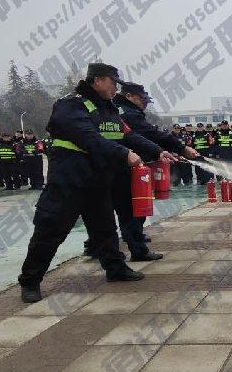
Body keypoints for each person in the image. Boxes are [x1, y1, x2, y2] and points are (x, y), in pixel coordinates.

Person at [18, 63, 158, 303]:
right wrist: (124, 154)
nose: (116, 88)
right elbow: (87, 137)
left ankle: (115, 269)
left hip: (97, 181)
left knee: (105, 229)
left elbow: (128, 135)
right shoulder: (71, 105)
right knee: (50, 230)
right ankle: (30, 281)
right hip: (69, 181)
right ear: (98, 80)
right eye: (113, 83)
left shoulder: (109, 109)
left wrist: (158, 151)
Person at [111, 82, 198, 261]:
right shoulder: (129, 114)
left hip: (116, 164)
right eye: (141, 99)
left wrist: (162, 151)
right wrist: (180, 148)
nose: (145, 103)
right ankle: (137, 250)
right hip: (124, 166)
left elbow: (139, 138)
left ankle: (100, 245)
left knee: (106, 211)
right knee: (132, 208)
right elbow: (149, 134)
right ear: (128, 96)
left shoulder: (116, 110)